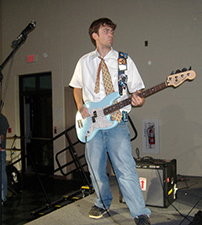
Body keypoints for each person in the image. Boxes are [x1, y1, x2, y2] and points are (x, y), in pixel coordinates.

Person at [69, 18, 151, 225]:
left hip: (117, 122)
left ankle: (140, 213)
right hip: (91, 123)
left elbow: (138, 89)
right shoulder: (84, 61)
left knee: (125, 168)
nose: (111, 34)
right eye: (106, 31)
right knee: (96, 168)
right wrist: (80, 107)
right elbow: (76, 87)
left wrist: (139, 98)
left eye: (112, 31)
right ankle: (102, 202)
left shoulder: (124, 60)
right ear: (94, 36)